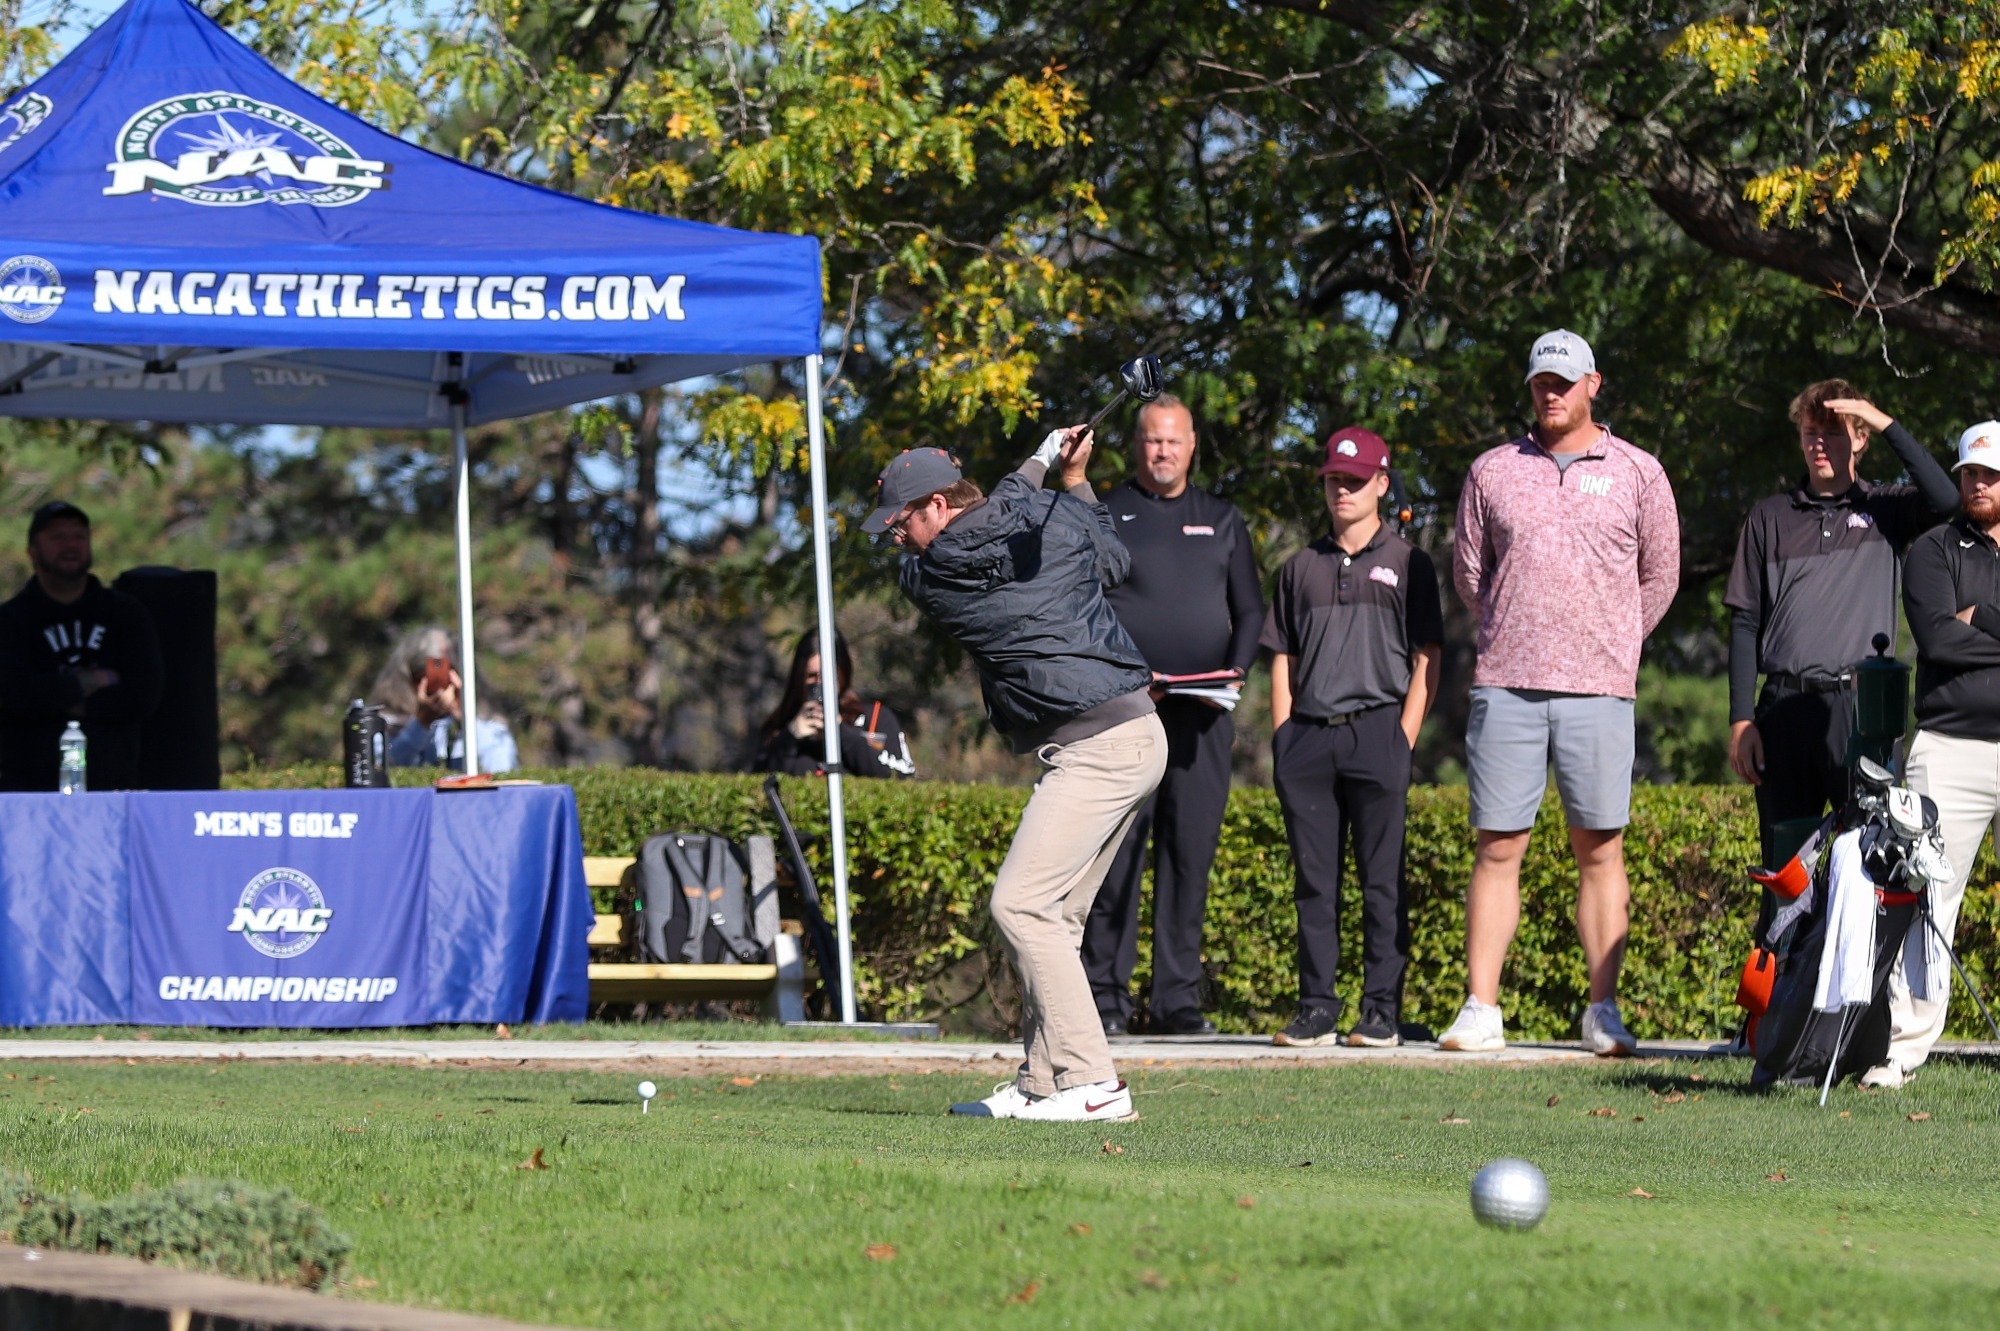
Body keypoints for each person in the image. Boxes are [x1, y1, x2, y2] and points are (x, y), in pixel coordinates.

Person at [864, 431, 1166, 1122]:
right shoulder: (952, 562)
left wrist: (1042, 465)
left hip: (1104, 743)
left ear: (937, 506)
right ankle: (1042, 1078)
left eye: (901, 523)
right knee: (1054, 916)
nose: (898, 543)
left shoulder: (973, 539)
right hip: (1124, 737)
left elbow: (1026, 535)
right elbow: (1108, 556)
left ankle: (1094, 1082)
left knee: (1018, 905)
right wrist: (1073, 481)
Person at [1441, 329, 1681, 1057]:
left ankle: (1602, 1009)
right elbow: (1469, 575)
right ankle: (1481, 1008)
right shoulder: (1492, 470)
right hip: (1506, 685)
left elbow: (1660, 574)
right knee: (1498, 845)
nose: (1552, 391)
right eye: (1542, 380)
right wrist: (1520, 630)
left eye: (1564, 381)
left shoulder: (1639, 470)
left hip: (1600, 688)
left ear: (1592, 385)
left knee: (1600, 848)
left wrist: (1609, 640)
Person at [1081, 394, 1262, 1037]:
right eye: (1153, 440)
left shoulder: (1221, 518)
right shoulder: (1107, 513)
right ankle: (1104, 996)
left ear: (1192, 446)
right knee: (1116, 858)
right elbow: (1084, 605)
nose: (1163, 451)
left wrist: (1236, 669)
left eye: (1174, 440)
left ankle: (1176, 1001)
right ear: (1137, 445)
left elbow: (1250, 612)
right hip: (1126, 715)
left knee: (1189, 859)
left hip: (1202, 720)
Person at [1261, 428, 1443, 1047]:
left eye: (1357, 480)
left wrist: (1403, 738)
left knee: (1381, 880)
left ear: (1382, 485)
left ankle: (1380, 1010)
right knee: (1314, 882)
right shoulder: (1299, 568)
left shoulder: (1409, 563)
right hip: (1308, 739)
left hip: (1378, 732)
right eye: (1336, 479)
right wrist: (1284, 736)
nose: (1343, 490)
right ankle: (1316, 1007)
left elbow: (1427, 657)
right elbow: (1279, 656)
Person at [1724, 383, 1955, 867]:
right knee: (1786, 873)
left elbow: (1946, 500)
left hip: (1862, 713)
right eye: (1811, 433)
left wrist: (1882, 420)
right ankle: (1782, 948)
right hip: (1784, 710)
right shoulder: (1769, 517)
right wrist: (1741, 717)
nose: (1819, 445)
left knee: (1870, 867)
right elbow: (1745, 621)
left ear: (1860, 438)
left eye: (1834, 433)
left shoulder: (1885, 508)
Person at [1872, 422, 2000, 1088]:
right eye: (1970, 473)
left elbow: (1967, 632)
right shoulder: (1933, 547)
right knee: (1927, 897)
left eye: (1991, 475)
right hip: (1951, 744)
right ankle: (1904, 1047)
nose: (1978, 484)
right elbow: (1940, 642)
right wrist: (1960, 623)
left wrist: (1982, 617)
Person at [0, 501, 164, 791]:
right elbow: (14, 695)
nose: (70, 546)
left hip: (114, 789)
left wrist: (57, 697)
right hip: (27, 794)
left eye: (78, 537)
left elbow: (143, 696)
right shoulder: (11, 620)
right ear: (32, 552)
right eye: (57, 538)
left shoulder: (125, 614)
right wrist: (93, 680)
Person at [753, 629, 916, 780]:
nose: (820, 684)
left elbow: (902, 777)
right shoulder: (779, 727)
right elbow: (756, 785)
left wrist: (840, 732)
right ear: (799, 677)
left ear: (842, 672)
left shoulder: (875, 718)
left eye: (827, 675)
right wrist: (789, 737)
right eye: (812, 676)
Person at [371, 626, 518, 774]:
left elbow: (503, 770)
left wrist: (465, 720)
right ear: (405, 677)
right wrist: (420, 724)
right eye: (421, 677)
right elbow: (381, 773)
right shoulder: (384, 723)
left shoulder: (488, 726)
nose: (435, 687)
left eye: (443, 676)